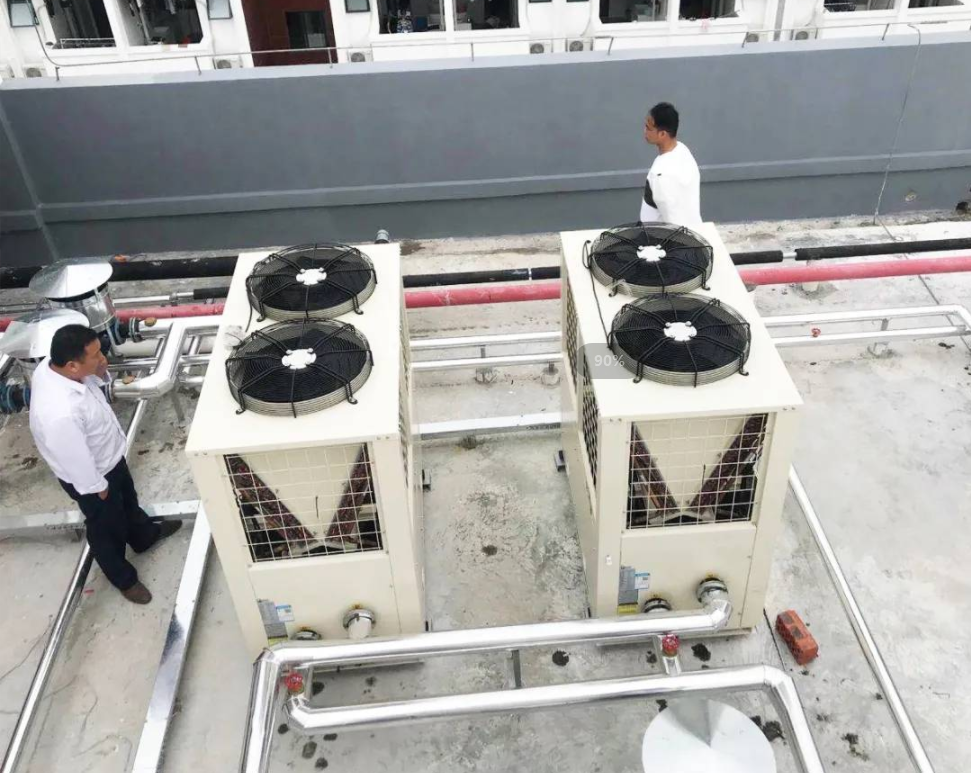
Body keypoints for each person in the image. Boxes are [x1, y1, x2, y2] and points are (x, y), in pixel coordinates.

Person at [28, 325, 181, 604]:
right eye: (96, 355)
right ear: (72, 365)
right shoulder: (59, 414)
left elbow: (93, 388)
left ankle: (144, 536)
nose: (103, 358)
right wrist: (97, 487)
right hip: (92, 477)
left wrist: (99, 373)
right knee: (106, 528)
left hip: (110, 457)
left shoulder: (55, 367)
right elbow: (74, 458)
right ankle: (123, 578)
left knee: (128, 502)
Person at [640, 102, 703, 230]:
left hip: (661, 238)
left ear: (662, 134)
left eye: (648, 128)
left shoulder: (661, 176)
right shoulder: (682, 150)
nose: (644, 131)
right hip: (694, 231)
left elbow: (674, 224)